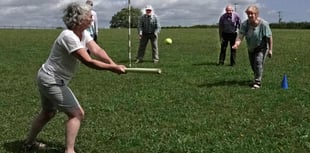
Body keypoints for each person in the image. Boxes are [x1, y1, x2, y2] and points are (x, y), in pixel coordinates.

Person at [23, 2, 126, 153]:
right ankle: (69, 150)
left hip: (46, 77)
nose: (92, 17)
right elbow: (88, 61)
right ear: (78, 18)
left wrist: (113, 63)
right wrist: (112, 69)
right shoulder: (68, 36)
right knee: (77, 114)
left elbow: (96, 49)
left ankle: (28, 144)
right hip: (51, 80)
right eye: (88, 15)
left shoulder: (83, 33)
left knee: (48, 113)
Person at [232, 5, 273, 89]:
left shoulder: (263, 24)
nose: (250, 15)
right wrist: (237, 44)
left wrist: (270, 50)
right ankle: (257, 76)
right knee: (253, 65)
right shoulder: (245, 24)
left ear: (256, 14)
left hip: (261, 47)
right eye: (248, 14)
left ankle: (257, 82)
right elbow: (240, 35)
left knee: (258, 62)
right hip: (251, 47)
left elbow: (269, 37)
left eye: (252, 13)